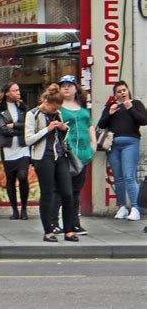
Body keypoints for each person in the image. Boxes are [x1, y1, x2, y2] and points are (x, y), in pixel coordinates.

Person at [25, 84, 79, 242]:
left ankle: (68, 231)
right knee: (47, 194)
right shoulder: (32, 114)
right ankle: (48, 231)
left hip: (60, 156)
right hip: (43, 158)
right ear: (46, 102)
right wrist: (47, 129)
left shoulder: (58, 114)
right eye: (53, 108)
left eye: (58, 109)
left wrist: (63, 129)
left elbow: (62, 138)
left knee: (68, 193)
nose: (56, 111)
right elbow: (28, 140)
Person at [51, 75, 97, 236]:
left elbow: (89, 125)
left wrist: (93, 143)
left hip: (83, 154)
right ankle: (53, 222)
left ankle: (73, 223)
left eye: (69, 85)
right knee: (60, 190)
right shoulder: (56, 108)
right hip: (66, 154)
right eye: (63, 85)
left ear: (76, 88)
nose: (66, 87)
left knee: (76, 191)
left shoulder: (82, 108)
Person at [98, 80, 147, 221]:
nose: (122, 93)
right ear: (115, 95)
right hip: (113, 145)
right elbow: (101, 124)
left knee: (129, 176)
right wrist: (110, 113)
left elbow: (144, 120)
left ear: (128, 91)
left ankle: (135, 208)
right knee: (118, 178)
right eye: (119, 91)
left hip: (130, 143)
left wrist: (130, 108)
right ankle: (122, 207)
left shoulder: (136, 104)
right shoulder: (110, 107)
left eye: (124, 90)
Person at [0, 82, 31, 220]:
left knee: (22, 176)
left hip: (23, 148)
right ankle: (15, 210)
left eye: (18, 90)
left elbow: (29, 125)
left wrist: (14, 125)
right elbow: (3, 129)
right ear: (7, 93)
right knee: (11, 179)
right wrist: (19, 131)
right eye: (15, 90)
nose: (18, 93)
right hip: (8, 149)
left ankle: (24, 208)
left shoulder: (22, 107)